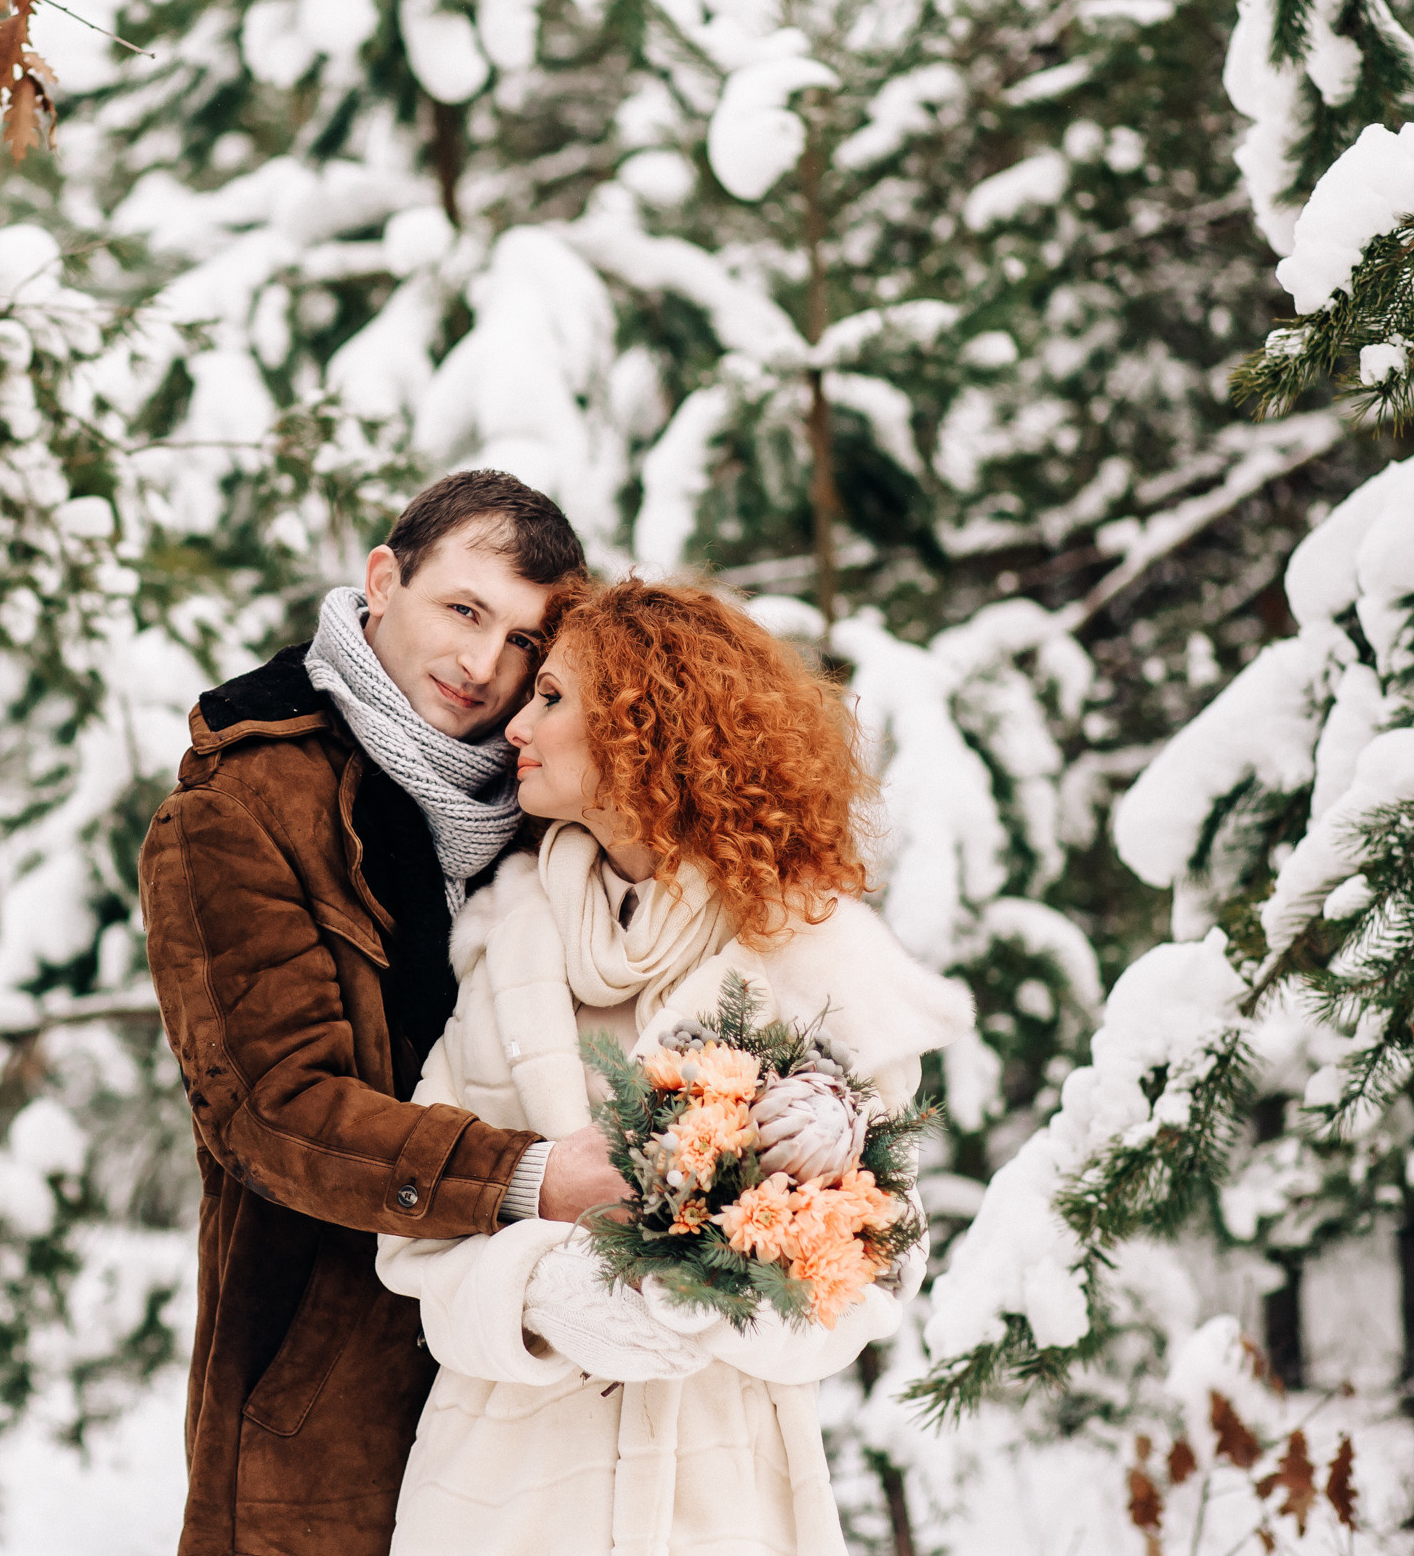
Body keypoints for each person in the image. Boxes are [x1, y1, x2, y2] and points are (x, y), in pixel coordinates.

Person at [377, 579, 974, 1556]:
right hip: (502, 1498)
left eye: (554, 697)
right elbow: (412, 1243)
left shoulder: (816, 954)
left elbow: (883, 1260)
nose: (516, 719)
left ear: (646, 727)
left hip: (726, 1495)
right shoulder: (501, 946)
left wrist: (724, 1303)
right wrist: (544, 1294)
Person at [140, 471, 627, 1556]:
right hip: (330, 1387)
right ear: (382, 579)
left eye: (523, 642)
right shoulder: (236, 812)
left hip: (536, 1381)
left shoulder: (553, 808)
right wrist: (527, 1177)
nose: (482, 666)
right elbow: (276, 1113)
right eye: (463, 609)